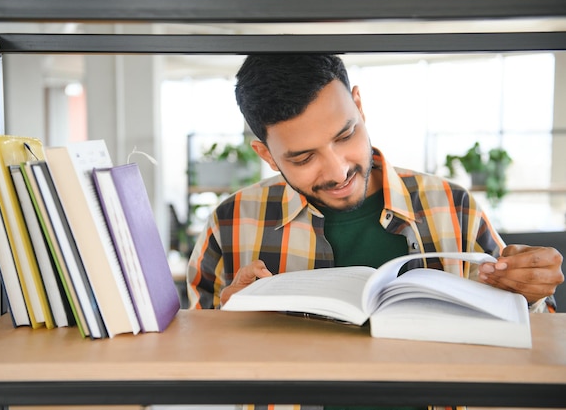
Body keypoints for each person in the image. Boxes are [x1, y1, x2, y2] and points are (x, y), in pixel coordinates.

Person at [185, 53, 564, 410]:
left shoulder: (453, 206)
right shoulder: (230, 222)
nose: (337, 171)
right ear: (266, 154)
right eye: (303, 157)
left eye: (346, 135)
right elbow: (191, 361)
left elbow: (535, 332)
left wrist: (527, 290)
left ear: (359, 105)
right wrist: (225, 322)